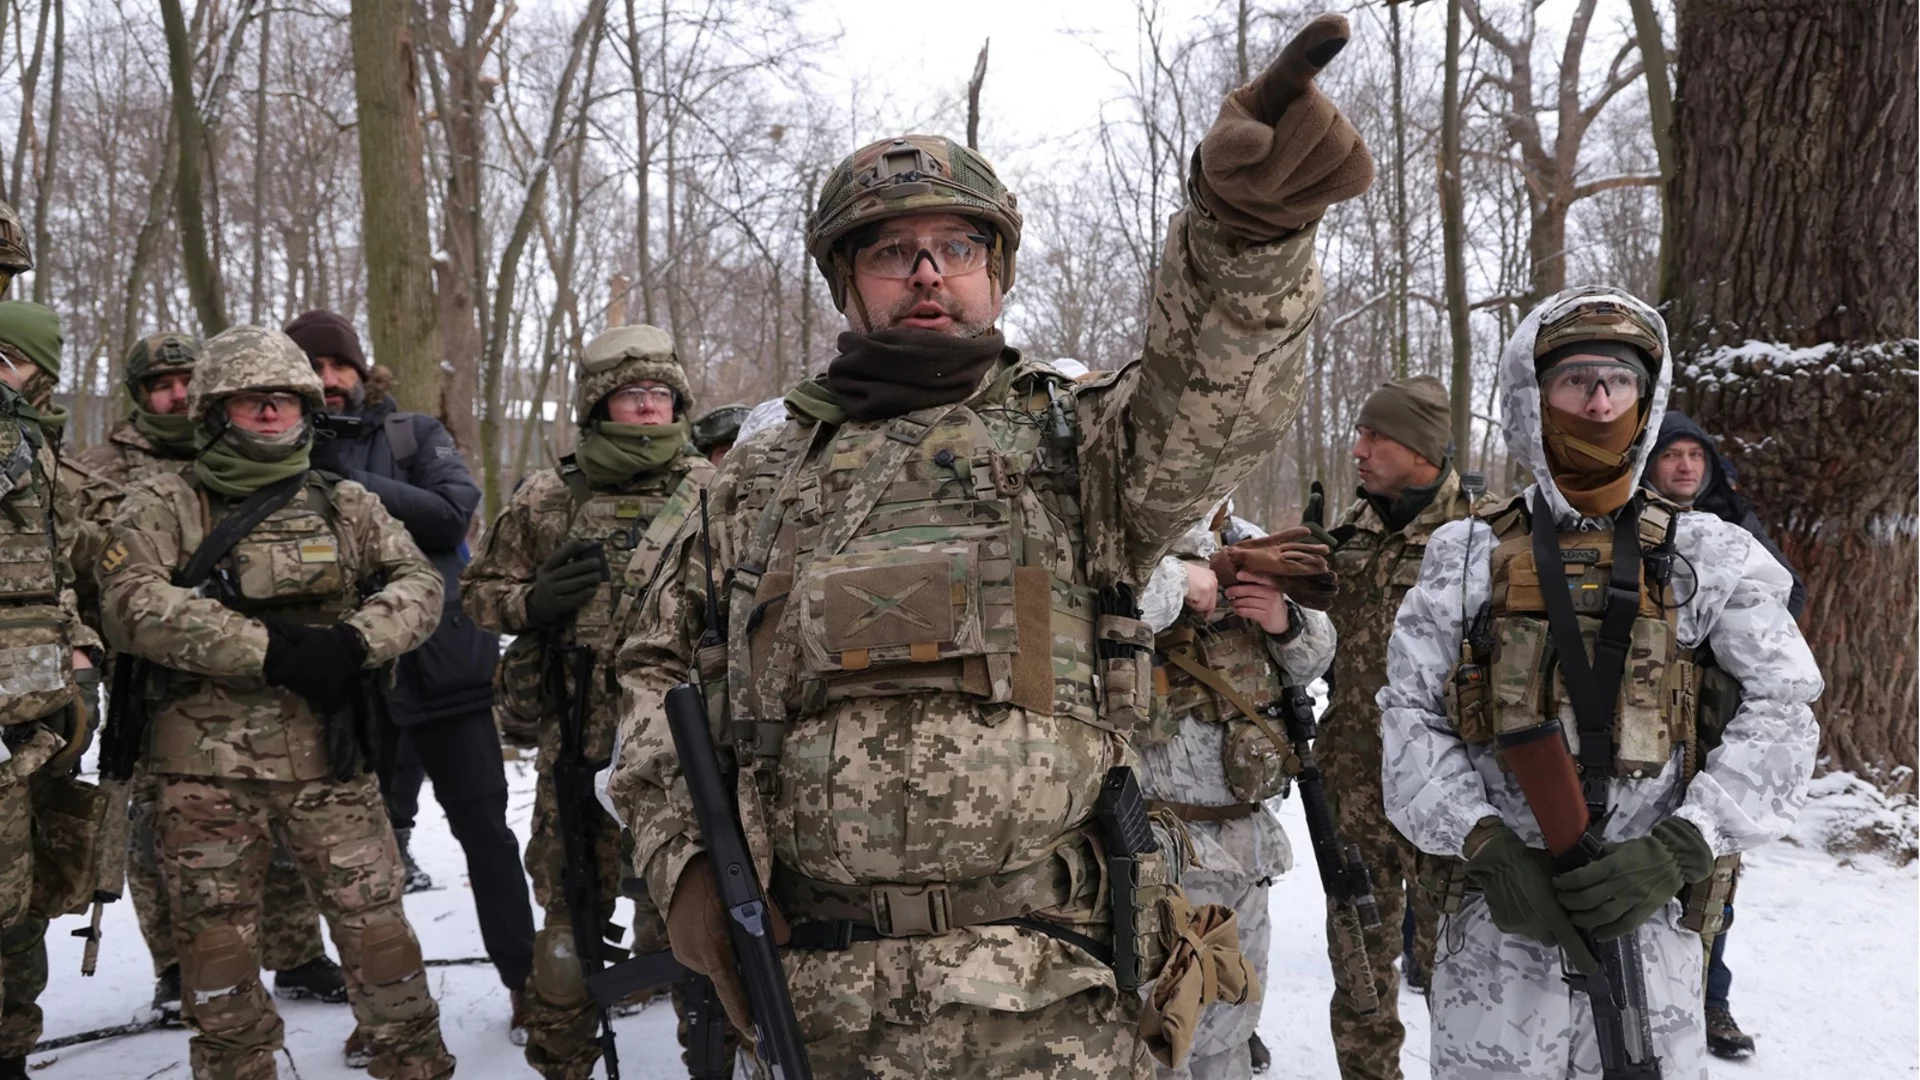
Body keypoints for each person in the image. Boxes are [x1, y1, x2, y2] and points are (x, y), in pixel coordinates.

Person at [607, 15, 1373, 1075]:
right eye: (890, 251)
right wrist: (684, 861)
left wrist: (1245, 235)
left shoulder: (1082, 448)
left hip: (1060, 994)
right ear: (847, 281)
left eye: (956, 247)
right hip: (816, 996)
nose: (927, 272)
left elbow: (1216, 396)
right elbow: (653, 675)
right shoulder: (752, 479)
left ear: (995, 272)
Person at [1378, 287, 1821, 1078]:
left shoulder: (1710, 556)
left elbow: (1785, 710)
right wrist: (1483, 844)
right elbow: (1408, 714)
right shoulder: (1465, 555)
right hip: (1498, 933)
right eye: (1575, 378)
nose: (1599, 400)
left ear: (1646, 402)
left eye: (1619, 381)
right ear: (1532, 395)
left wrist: (1687, 843)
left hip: (1650, 928)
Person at [99, 325, 454, 1080]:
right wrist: (269, 650)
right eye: (252, 400)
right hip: (204, 777)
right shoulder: (163, 503)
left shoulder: (347, 503)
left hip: (332, 758)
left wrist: (353, 644)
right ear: (216, 411)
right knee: (219, 960)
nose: (271, 414)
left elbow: (419, 585)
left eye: (285, 400)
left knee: (382, 944)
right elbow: (130, 603)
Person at [462, 324, 716, 1080]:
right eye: (632, 395)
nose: (648, 409)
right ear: (599, 405)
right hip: (579, 754)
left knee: (702, 918)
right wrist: (534, 602)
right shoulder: (549, 497)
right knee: (570, 922)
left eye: (660, 395)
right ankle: (563, 1061)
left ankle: (713, 1061)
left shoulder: (713, 490)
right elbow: (479, 596)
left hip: (689, 754)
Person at [283, 308, 536, 1048]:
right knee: (364, 862)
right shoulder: (272, 450)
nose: (330, 382)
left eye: (341, 367)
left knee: (487, 837)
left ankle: (525, 987)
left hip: (445, 671)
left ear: (362, 372)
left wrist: (346, 481)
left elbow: (454, 511)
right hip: (351, 683)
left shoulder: (412, 435)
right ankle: (384, 1012)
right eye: (316, 369)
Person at [75, 333, 345, 1020]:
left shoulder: (242, 451)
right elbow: (84, 575)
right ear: (137, 395)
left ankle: (295, 952)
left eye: (182, 380)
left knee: (280, 817)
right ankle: (176, 967)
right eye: (157, 384)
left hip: (262, 666)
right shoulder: (97, 469)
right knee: (157, 830)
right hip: (150, 675)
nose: (172, 392)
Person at [1318, 374, 1498, 1079]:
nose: (1357, 448)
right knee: (1359, 972)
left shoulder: (1484, 535)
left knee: (1457, 973)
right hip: (1353, 788)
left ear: (1420, 449)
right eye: (1359, 432)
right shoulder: (1350, 532)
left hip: (1448, 795)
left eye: (1374, 435)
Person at [1136, 503, 1337, 1079]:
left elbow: (1316, 656)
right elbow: (1093, 599)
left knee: (1232, 1020)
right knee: (1154, 1033)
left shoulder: (1246, 540)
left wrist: (1284, 621)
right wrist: (1181, 582)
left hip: (1244, 843)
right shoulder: (1129, 536)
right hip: (1155, 846)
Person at [1646, 409, 1806, 1062]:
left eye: (1695, 455)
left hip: (1717, 727)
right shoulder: (1627, 525)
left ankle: (1709, 1002)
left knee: (1714, 873)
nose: (1685, 465)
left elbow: (1785, 601)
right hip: (1646, 730)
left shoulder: (1735, 525)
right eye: (1671, 455)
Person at [0, 294, 101, 1078]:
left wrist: (80, 662)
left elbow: (61, 584)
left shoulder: (49, 464)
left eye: (9, 360)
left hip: (38, 723)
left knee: (25, 903)